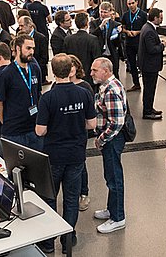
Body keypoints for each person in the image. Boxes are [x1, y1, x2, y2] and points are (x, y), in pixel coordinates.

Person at [36, 54, 97, 254]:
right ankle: (68, 240)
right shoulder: (84, 93)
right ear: (71, 69)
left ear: (53, 72)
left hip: (53, 156)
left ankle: (47, 242)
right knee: (71, 199)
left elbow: (40, 131)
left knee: (50, 198)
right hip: (76, 154)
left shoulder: (48, 97)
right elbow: (92, 124)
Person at [90, 58, 127, 234]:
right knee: (110, 176)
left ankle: (118, 218)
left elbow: (117, 122)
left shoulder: (111, 90)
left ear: (106, 70)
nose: (91, 73)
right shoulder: (106, 85)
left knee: (114, 179)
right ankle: (112, 209)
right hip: (109, 138)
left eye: (94, 70)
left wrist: (101, 139)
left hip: (112, 140)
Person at [0, 34, 43, 151]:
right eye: (28, 48)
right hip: (14, 133)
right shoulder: (6, 74)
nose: (31, 52)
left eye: (33, 48)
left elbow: (38, 94)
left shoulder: (35, 69)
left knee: (37, 167)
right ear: (17, 48)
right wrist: (7, 123)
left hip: (34, 129)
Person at [67, 54, 95, 212]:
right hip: (63, 133)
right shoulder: (58, 86)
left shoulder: (85, 87)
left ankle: (84, 193)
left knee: (80, 163)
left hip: (79, 132)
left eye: (73, 66)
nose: (70, 69)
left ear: (77, 68)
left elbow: (90, 112)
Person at [138, 7, 166, 120]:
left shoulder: (147, 27)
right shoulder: (149, 30)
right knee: (149, 89)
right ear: (155, 18)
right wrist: (162, 45)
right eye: (160, 18)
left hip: (147, 65)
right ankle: (147, 112)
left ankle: (149, 108)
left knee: (149, 89)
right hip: (149, 66)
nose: (162, 20)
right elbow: (152, 49)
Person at [64, 12, 102, 86]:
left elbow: (65, 57)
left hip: (72, 76)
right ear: (87, 24)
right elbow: (97, 58)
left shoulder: (68, 39)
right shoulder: (93, 39)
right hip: (89, 76)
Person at [120, 0, 148, 92]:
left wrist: (137, 32)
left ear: (136, 2)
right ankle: (136, 84)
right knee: (132, 65)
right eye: (129, 4)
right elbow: (122, 28)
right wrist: (127, 32)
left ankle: (145, 84)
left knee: (142, 64)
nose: (131, 5)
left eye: (132, 3)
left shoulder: (143, 15)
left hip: (140, 43)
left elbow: (146, 29)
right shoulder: (125, 15)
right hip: (129, 43)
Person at [89, 2, 122, 79]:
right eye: (101, 12)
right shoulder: (93, 23)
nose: (103, 14)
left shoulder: (116, 24)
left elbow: (118, 43)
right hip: (99, 54)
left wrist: (119, 33)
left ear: (111, 12)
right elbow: (92, 36)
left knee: (113, 74)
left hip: (112, 54)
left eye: (105, 12)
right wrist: (100, 27)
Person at [18, 16, 50, 85]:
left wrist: (33, 69)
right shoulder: (19, 36)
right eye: (19, 26)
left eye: (22, 26)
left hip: (37, 74)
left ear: (30, 25)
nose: (20, 28)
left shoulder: (41, 38)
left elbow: (44, 58)